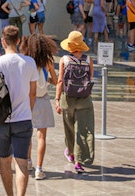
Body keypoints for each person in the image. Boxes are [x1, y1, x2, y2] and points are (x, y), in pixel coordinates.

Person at [0, 25, 37, 196]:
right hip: (23, 118)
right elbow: (33, 93)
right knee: (22, 161)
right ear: (18, 41)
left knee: (4, 160)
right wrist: (27, 111)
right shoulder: (29, 62)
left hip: (1, 120)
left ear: (2, 41)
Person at [54, 30, 94, 172]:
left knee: (69, 128)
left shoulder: (64, 59)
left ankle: (71, 152)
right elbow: (90, 79)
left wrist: (57, 99)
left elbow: (60, 81)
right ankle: (79, 160)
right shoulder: (89, 60)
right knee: (82, 129)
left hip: (67, 98)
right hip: (84, 99)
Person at [20, 33, 58, 180]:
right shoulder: (47, 62)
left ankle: (28, 161)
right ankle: (39, 169)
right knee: (41, 136)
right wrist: (47, 77)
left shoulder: (26, 62)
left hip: (28, 101)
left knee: (27, 134)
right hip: (43, 101)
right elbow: (55, 80)